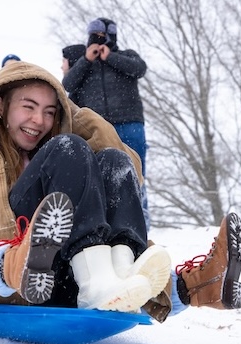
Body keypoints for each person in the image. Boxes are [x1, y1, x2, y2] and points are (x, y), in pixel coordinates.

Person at [0, 61, 241, 321]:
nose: (39, 121)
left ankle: (126, 279)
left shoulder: (62, 144)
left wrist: (76, 115)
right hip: (15, 278)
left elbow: (131, 175)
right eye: (28, 107)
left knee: (112, 161)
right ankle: (108, 283)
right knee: (70, 149)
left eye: (49, 111)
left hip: (68, 280)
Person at [62, 18, 151, 230]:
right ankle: (109, 225)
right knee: (101, 174)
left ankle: (142, 227)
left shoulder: (126, 55)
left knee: (137, 173)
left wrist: (110, 57)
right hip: (98, 127)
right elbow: (68, 84)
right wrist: (86, 59)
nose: (101, 41)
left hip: (129, 124)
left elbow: (139, 69)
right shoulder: (83, 62)